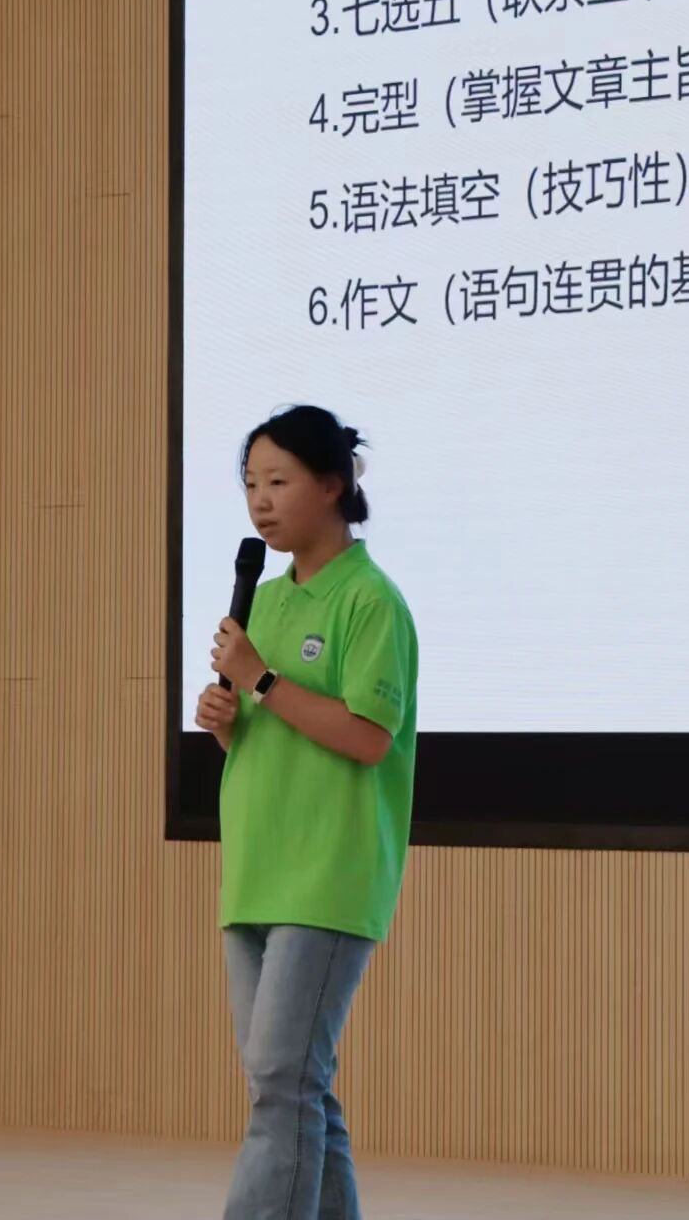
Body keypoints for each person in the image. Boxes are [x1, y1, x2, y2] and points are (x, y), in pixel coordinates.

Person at [195, 404, 420, 1220]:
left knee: (281, 1082)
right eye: (251, 483)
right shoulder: (264, 602)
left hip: (327, 873)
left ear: (332, 485)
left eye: (279, 481)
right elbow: (269, 738)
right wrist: (228, 722)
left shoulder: (370, 601)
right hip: (257, 867)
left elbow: (367, 737)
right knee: (293, 1086)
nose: (261, 500)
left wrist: (260, 680)